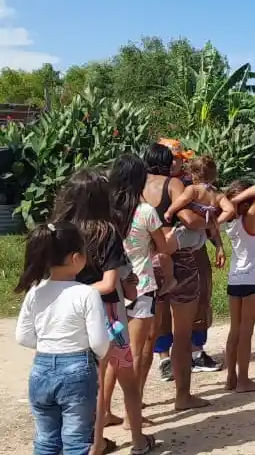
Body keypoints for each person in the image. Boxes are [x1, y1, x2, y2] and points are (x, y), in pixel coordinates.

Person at [52, 170, 155, 455]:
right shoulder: (106, 231)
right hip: (109, 316)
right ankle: (136, 441)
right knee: (128, 381)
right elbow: (113, 284)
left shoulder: (59, 232)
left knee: (88, 385)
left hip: (71, 318)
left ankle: (92, 442)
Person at [15, 222, 109, 455]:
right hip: (77, 368)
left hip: (41, 369)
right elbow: (99, 342)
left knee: (46, 439)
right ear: (76, 258)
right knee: (76, 440)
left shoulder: (34, 291)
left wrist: (50, 346)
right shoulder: (87, 293)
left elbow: (23, 336)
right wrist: (96, 355)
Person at [142, 142, 217, 411]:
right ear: (166, 160)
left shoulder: (136, 186)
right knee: (182, 334)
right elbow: (188, 219)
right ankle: (182, 396)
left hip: (146, 262)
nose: (180, 164)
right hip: (179, 260)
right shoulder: (172, 185)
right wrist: (211, 221)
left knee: (146, 336)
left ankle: (135, 401)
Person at [110, 154, 171, 407]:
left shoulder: (107, 212)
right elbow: (163, 246)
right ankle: (130, 413)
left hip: (112, 286)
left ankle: (104, 411)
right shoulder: (145, 211)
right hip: (141, 287)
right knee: (136, 353)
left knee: (113, 354)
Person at [222, 180, 255, 393]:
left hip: (236, 279)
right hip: (252, 280)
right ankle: (243, 380)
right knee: (246, 333)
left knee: (235, 330)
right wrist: (234, 200)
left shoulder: (230, 222)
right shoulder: (249, 220)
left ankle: (231, 378)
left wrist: (228, 202)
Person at [163, 155, 235, 253]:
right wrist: (216, 222)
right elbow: (230, 210)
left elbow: (182, 200)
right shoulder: (218, 195)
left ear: (194, 175)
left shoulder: (193, 189)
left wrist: (169, 211)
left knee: (163, 247)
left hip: (188, 231)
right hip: (203, 236)